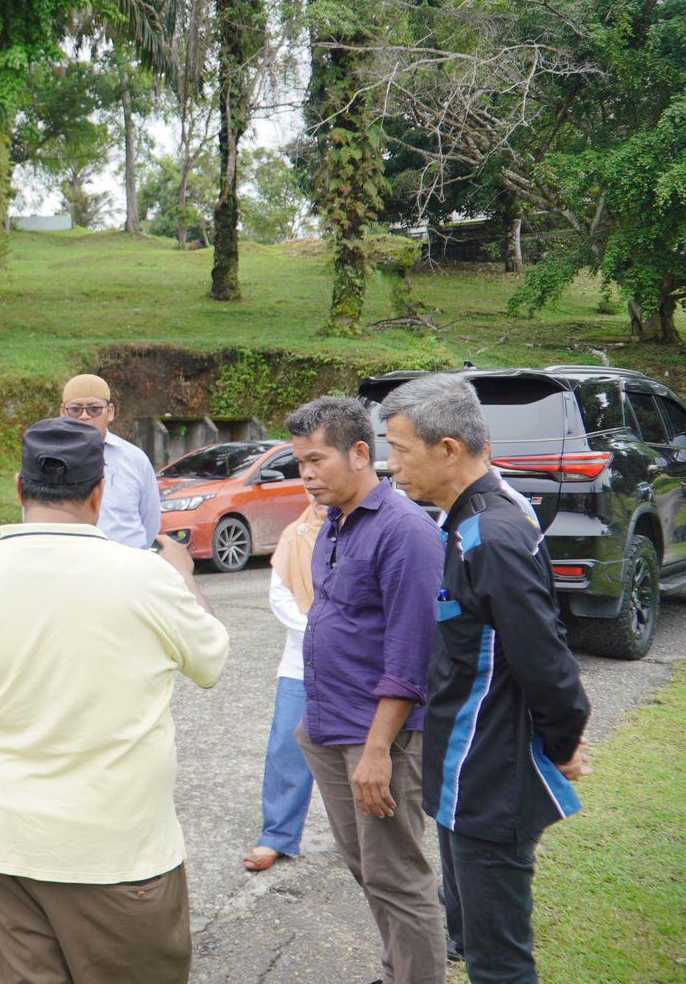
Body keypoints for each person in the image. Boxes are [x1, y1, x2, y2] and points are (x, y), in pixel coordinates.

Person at [0, 417, 229, 983]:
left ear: (17, 488)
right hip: (121, 855)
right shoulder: (146, 576)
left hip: (5, 852)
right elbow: (210, 661)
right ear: (100, 492)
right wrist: (184, 575)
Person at [380, 374, 592, 984]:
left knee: (498, 963)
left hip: (489, 782)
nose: (392, 468)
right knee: (468, 939)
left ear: (449, 449)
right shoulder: (463, 519)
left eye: (400, 450)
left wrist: (560, 745)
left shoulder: (491, 535)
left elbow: (546, 661)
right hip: (458, 776)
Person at [285, 395, 447, 984]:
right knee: (368, 870)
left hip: (379, 737)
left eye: (315, 459)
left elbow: (412, 654)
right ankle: (396, 970)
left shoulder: (405, 531)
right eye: (298, 462)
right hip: (328, 728)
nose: (305, 474)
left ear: (360, 453)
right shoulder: (334, 523)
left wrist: (377, 749)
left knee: (400, 878)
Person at [243, 500, 327, 872]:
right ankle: (277, 835)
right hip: (301, 660)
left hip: (357, 663)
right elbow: (279, 595)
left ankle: (370, 838)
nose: (317, 490)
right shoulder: (296, 534)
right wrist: (316, 631)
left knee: (363, 749)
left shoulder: (370, 532)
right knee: (286, 747)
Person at [57, 373, 160, 548]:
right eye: (75, 409)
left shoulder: (134, 459)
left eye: (94, 409)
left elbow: (151, 522)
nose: (84, 416)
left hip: (125, 569)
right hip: (71, 568)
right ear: (62, 412)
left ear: (110, 412)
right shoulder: (48, 460)